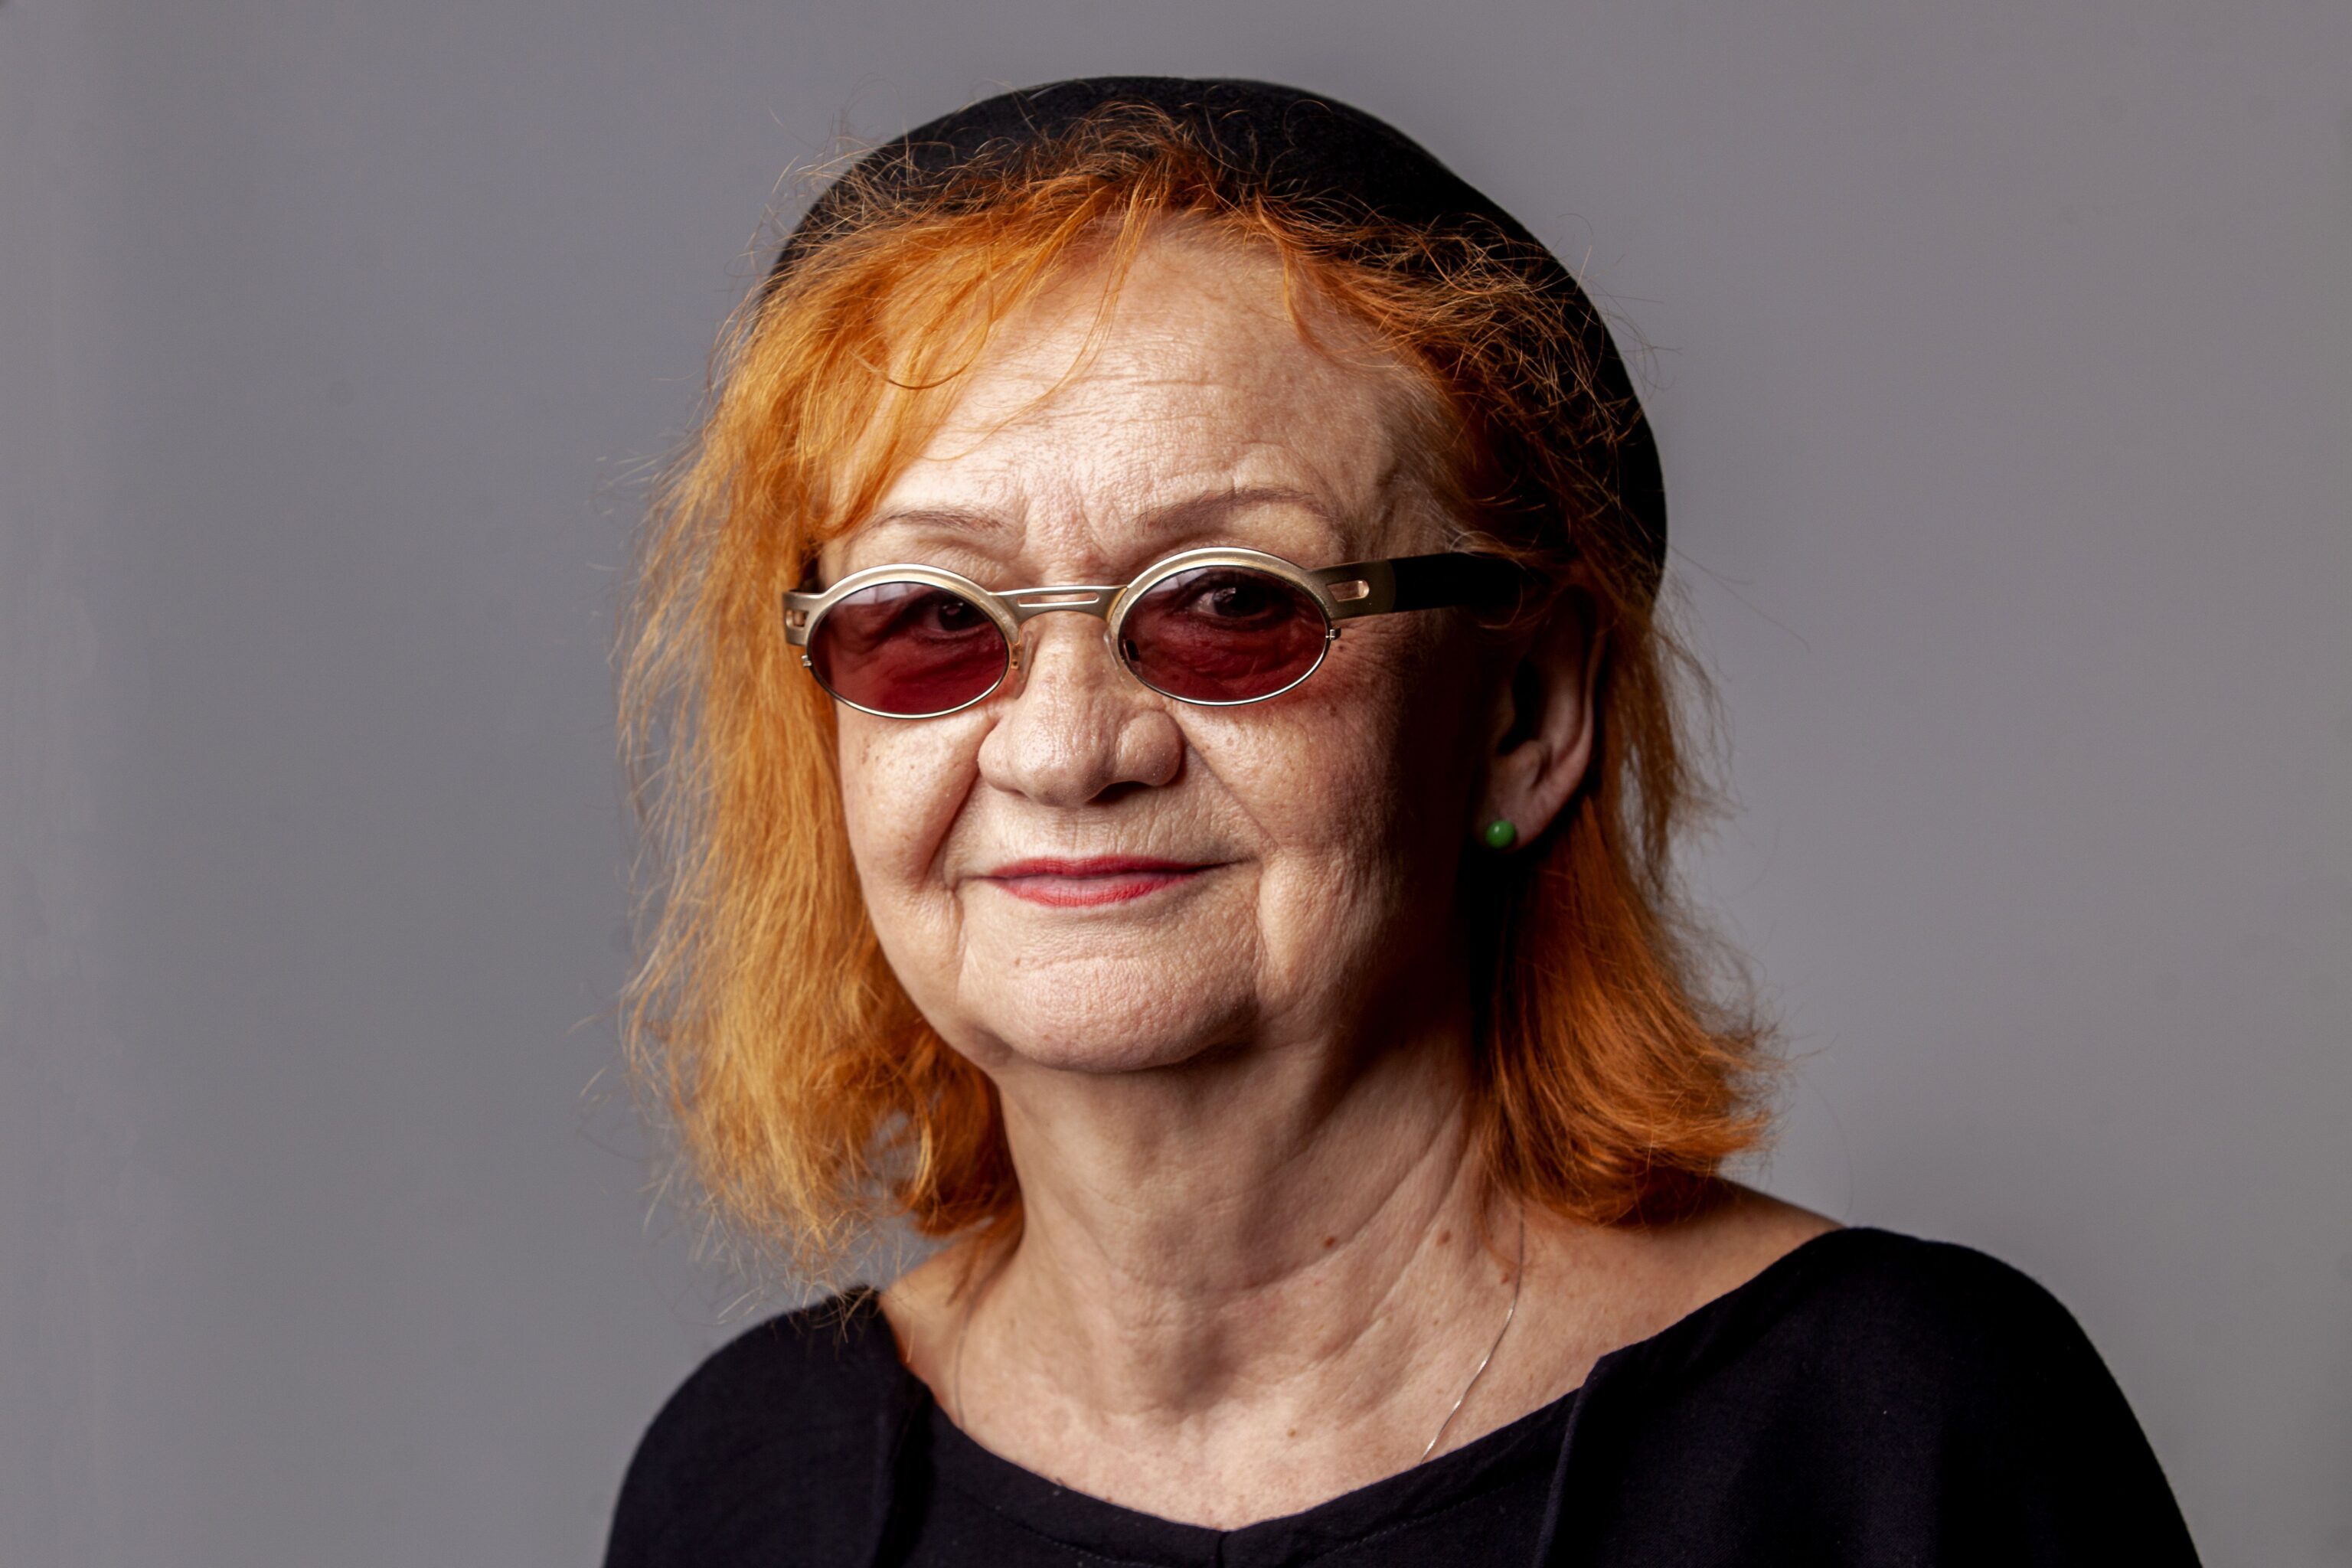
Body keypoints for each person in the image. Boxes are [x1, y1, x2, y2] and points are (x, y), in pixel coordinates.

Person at [604, 78, 2199, 1566]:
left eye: (1233, 602)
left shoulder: (1904, 1437)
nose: (1066, 747)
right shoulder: (747, 1487)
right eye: (932, 619)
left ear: (1525, 720)